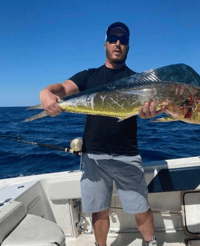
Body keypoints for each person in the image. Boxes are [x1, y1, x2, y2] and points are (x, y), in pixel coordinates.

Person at [40, 22, 165, 246]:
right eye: (114, 38)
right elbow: (61, 88)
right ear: (105, 43)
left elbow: (150, 107)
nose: (118, 43)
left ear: (128, 46)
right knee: (99, 210)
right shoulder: (89, 76)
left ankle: (151, 242)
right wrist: (46, 92)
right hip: (93, 157)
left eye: (123, 40)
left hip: (127, 155)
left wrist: (150, 114)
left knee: (140, 208)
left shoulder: (139, 82)